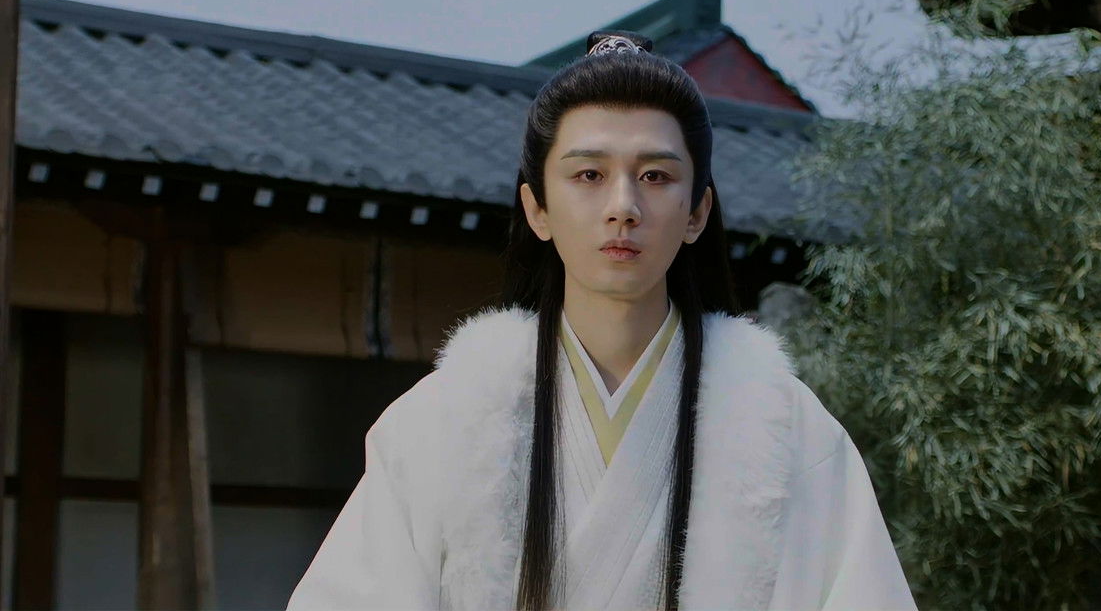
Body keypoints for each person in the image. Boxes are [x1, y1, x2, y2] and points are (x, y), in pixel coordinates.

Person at [287, 30, 916, 610]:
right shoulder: (443, 419)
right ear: (537, 208)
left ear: (697, 212)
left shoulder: (785, 425)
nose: (624, 206)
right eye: (589, 174)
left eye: (655, 176)